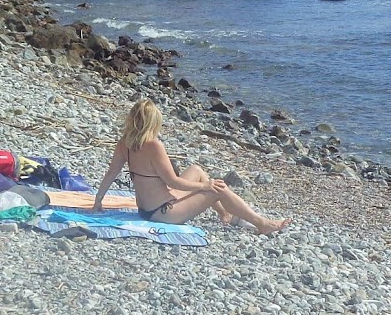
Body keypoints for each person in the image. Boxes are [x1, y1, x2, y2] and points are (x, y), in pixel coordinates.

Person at [93, 99, 291, 234]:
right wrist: (205, 186)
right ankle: (262, 223)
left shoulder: (124, 143)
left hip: (145, 209)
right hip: (164, 213)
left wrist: (98, 201)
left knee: (196, 169)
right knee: (218, 189)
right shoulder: (154, 145)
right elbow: (173, 181)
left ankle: (225, 214)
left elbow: (111, 173)